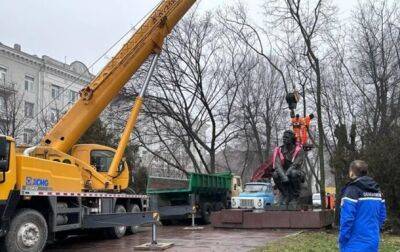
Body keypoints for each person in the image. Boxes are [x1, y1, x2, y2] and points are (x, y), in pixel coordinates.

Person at [339, 160, 386, 252]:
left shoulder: (352, 190)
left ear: (351, 172)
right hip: (373, 242)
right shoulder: (378, 190)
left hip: (353, 243)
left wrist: (342, 239)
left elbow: (347, 219)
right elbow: (382, 216)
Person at [272, 130, 305, 205]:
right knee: (275, 174)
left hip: (296, 172)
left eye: (286, 137)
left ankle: (295, 197)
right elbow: (277, 164)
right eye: (283, 137)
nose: (284, 139)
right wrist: (283, 176)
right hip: (283, 172)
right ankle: (285, 195)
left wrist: (286, 175)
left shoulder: (299, 150)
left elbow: (295, 165)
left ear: (292, 139)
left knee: (293, 173)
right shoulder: (279, 150)